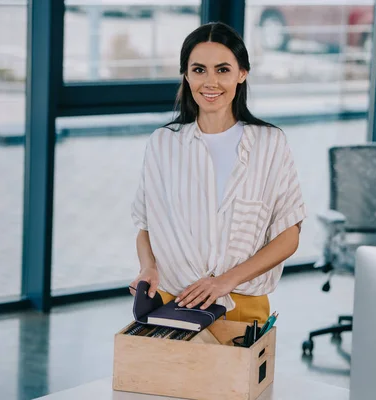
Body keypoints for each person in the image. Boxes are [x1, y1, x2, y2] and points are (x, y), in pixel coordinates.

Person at [129, 22, 306, 324]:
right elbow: (146, 225)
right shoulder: (163, 143)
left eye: (222, 70)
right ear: (186, 75)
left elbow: (289, 234)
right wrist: (148, 267)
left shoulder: (270, 143)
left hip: (243, 306)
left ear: (242, 73)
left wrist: (226, 281)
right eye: (199, 70)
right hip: (175, 304)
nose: (210, 82)